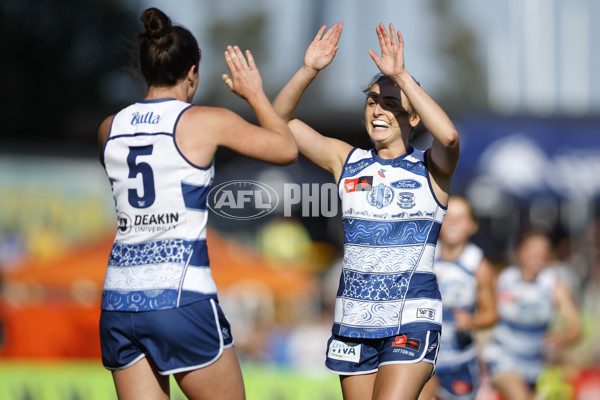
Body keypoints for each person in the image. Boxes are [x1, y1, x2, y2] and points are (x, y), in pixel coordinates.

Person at [97, 8, 297, 400]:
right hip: (179, 296)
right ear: (192, 73)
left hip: (119, 300)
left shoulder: (109, 128)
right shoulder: (205, 121)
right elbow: (285, 148)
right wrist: (254, 92)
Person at [273, 22, 461, 400]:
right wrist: (309, 70)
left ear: (413, 118)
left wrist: (402, 76)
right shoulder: (346, 161)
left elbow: (449, 136)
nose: (378, 110)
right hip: (353, 320)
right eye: (373, 101)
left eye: (392, 104)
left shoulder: (431, 167)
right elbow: (277, 120)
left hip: (412, 317)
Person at [482, 229, 582, 400]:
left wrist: (559, 339)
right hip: (502, 357)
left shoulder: (553, 285)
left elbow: (576, 329)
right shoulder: (502, 279)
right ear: (518, 252)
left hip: (537, 364)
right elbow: (485, 312)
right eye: (532, 250)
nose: (538, 256)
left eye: (542, 252)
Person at [418, 196, 497, 400]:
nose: (453, 223)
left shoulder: (478, 265)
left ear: (472, 226)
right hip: (425, 357)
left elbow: (491, 314)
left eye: (460, 218)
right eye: (448, 217)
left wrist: (471, 321)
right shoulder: (424, 257)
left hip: (460, 361)